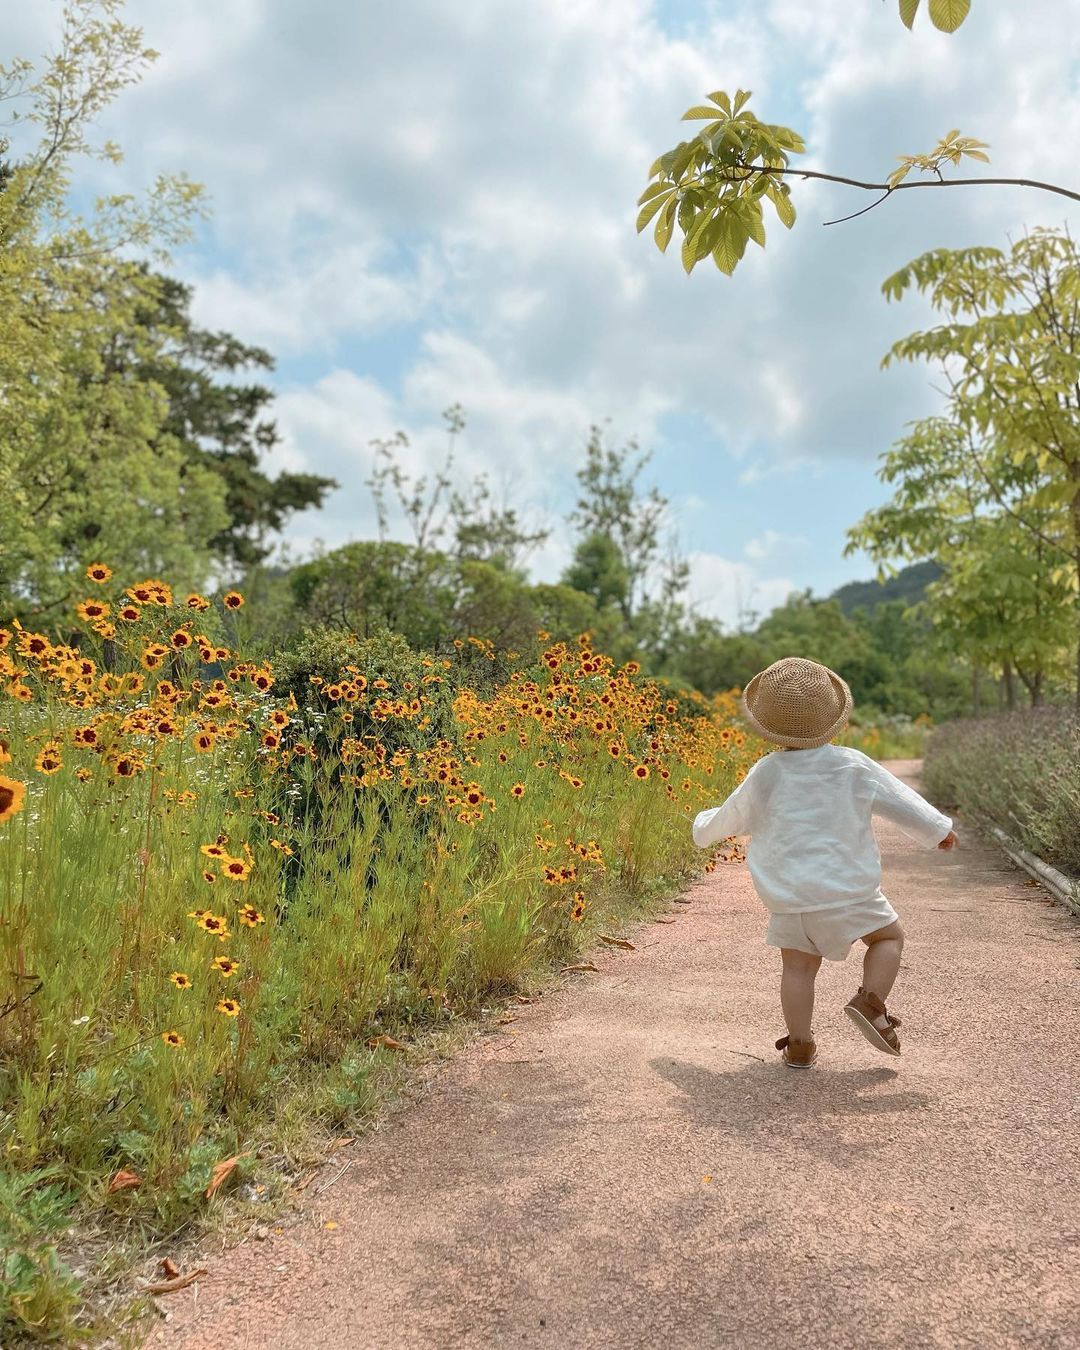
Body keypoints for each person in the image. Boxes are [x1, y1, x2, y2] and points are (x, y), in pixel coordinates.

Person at [692, 656, 957, 1069]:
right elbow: (901, 800)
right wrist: (937, 829)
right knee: (888, 938)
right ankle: (870, 1003)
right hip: (850, 892)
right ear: (835, 718)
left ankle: (799, 1044)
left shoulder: (767, 772)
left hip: (791, 898)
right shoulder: (853, 764)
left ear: (768, 725)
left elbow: (730, 815)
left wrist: (701, 828)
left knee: (798, 968)